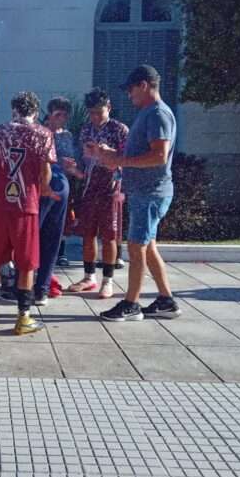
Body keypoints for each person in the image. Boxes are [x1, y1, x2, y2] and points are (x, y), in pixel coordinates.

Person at [91, 65, 181, 321]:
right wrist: (112, 155)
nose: (129, 95)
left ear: (143, 85)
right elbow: (143, 153)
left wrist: (120, 160)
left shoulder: (157, 114)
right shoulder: (149, 113)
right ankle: (166, 300)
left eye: (131, 89)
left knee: (136, 246)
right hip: (146, 192)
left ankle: (131, 304)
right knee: (147, 246)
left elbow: (159, 156)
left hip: (150, 193)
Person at [0, 91, 56, 335]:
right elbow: (46, 171)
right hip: (26, 204)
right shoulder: (43, 133)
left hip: (2, 203)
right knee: (26, 263)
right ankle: (23, 317)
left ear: (14, 109)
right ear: (35, 110)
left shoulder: (0, 131)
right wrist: (43, 189)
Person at [67, 88, 128, 299]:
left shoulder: (119, 129)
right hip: (89, 186)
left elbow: (127, 159)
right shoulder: (86, 130)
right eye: (91, 113)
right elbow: (83, 162)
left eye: (98, 112)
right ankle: (88, 276)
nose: (95, 117)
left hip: (111, 187)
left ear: (108, 108)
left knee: (109, 236)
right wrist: (74, 169)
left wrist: (106, 154)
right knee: (88, 233)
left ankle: (107, 280)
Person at [33, 97, 77, 306]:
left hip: (60, 186)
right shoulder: (37, 132)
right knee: (32, 235)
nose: (62, 119)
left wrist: (71, 167)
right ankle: (23, 282)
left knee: (52, 237)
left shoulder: (67, 136)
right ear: (49, 114)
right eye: (58, 114)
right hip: (39, 187)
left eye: (65, 116)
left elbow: (73, 160)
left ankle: (42, 287)